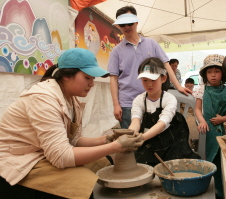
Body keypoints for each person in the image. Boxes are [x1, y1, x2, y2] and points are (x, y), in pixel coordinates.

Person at [0, 48, 144, 199]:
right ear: (67, 76)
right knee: (82, 187)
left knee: (103, 162)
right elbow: (61, 156)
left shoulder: (70, 98)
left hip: (43, 153)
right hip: (19, 161)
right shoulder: (43, 99)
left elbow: (72, 140)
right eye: (87, 78)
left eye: (93, 79)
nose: (92, 84)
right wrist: (116, 146)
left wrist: (104, 140)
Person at [108, 6, 190, 129]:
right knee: (131, 143)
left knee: (155, 141)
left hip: (154, 100)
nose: (127, 27)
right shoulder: (116, 51)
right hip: (128, 103)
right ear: (119, 26)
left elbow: (166, 65)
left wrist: (178, 86)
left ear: (136, 22)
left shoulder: (152, 44)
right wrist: (116, 105)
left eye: (129, 23)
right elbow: (113, 78)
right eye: (123, 24)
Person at [128, 57, 200, 167]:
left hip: (172, 143)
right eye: (145, 80)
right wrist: (129, 136)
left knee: (179, 165)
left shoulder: (169, 99)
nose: (149, 84)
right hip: (149, 142)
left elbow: (162, 124)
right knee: (141, 166)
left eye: (153, 80)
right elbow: (135, 121)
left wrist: (141, 138)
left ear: (163, 78)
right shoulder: (139, 100)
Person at [193, 54, 226, 199]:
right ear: (205, 74)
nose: (213, 75)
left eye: (217, 71)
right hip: (208, 131)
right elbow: (197, 109)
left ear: (223, 73)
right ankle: (209, 191)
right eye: (209, 72)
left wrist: (224, 118)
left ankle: (223, 192)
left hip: (225, 130)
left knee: (225, 160)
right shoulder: (201, 90)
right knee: (209, 160)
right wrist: (201, 121)